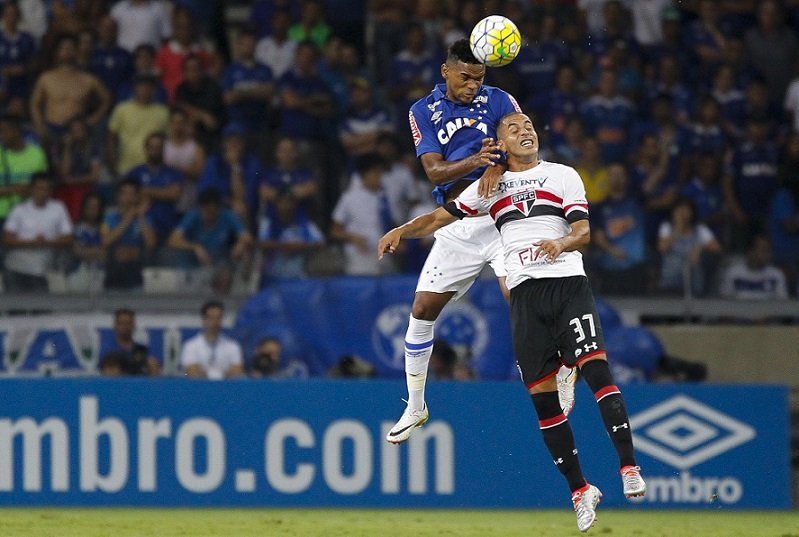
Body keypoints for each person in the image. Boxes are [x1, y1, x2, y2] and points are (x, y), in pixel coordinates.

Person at [379, 111, 646, 532]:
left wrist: (558, 242)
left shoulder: (563, 175)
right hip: (525, 298)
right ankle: (581, 491)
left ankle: (628, 466)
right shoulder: (489, 188)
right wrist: (401, 230)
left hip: (568, 285)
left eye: (530, 127)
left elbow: (583, 232)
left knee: (597, 370)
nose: (526, 132)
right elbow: (438, 218)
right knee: (543, 403)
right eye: (514, 129)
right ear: (500, 143)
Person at [386, 39, 575, 446]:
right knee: (421, 308)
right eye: (466, 77)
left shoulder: (500, 99)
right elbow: (434, 172)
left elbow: (523, 141)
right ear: (446, 71)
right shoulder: (422, 110)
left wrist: (499, 165)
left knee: (519, 296)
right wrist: (478, 162)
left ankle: (559, 366)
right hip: (459, 216)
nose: (473, 86)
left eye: (480, 78)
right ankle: (416, 405)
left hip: (506, 210)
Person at [3, 172, 72, 292]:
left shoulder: (58, 208)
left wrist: (46, 243)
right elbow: (7, 238)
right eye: (40, 188)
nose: (43, 193)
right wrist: (33, 243)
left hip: (43, 269)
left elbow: (68, 238)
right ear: (32, 189)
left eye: (47, 189)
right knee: (15, 308)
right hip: (16, 267)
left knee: (41, 308)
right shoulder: (19, 209)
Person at [180, 300, 245, 380]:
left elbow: (237, 371)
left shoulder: (233, 346)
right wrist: (222, 374)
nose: (215, 322)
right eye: (211, 318)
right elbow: (191, 372)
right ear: (204, 319)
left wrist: (208, 374)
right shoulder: (190, 346)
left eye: (218, 318)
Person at [720, 235, 788, 300]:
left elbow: (782, 304)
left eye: (768, 251)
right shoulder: (733, 273)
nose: (767, 255)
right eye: (763, 251)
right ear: (750, 252)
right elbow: (725, 301)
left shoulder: (776, 275)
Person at [98, 308, 161, 376]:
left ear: (134, 325)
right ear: (115, 326)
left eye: (128, 323)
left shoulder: (141, 350)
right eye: (121, 323)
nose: (125, 327)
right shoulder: (108, 349)